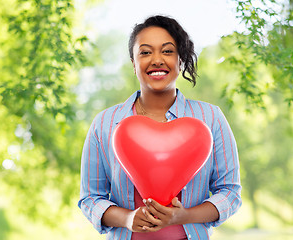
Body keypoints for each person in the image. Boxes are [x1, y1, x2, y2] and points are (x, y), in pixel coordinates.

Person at [78, 15, 242, 240]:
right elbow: (90, 198)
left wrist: (183, 216)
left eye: (167, 51)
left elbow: (230, 193)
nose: (157, 60)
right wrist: (127, 218)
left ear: (181, 60)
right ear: (134, 63)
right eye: (145, 52)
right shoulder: (104, 123)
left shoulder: (211, 118)